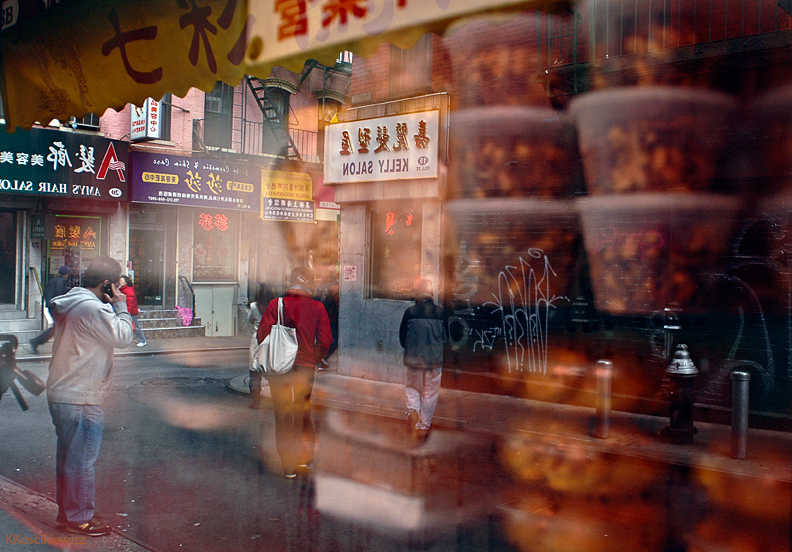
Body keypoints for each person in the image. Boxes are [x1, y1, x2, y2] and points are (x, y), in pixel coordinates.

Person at [46, 256, 134, 537]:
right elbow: (122, 337)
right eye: (116, 286)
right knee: (82, 461)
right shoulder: (93, 309)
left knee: (68, 461)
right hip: (81, 395)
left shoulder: (72, 302)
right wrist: (120, 306)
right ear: (107, 284)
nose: (118, 291)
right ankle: (80, 518)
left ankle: (67, 513)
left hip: (63, 392)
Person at [257, 267, 332, 478]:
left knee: (282, 414)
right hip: (305, 368)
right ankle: (305, 460)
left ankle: (288, 465)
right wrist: (313, 358)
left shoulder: (276, 305)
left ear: (290, 283)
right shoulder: (317, 308)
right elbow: (326, 340)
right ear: (308, 283)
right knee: (303, 412)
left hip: (279, 368)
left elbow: (262, 333)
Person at [399, 279, 446, 445]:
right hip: (434, 361)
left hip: (413, 360)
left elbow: (402, 339)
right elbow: (445, 338)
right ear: (431, 294)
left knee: (413, 388)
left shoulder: (410, 312)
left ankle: (413, 411)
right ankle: (423, 426)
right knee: (430, 393)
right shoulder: (440, 313)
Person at [29, 265, 71, 354]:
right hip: (56, 307)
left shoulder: (52, 281)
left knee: (58, 327)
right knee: (58, 327)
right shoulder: (62, 282)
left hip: (51, 306)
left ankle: (38, 341)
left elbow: (46, 293)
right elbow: (61, 295)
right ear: (66, 274)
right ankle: (37, 341)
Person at [247, 284, 271, 409]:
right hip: (271, 340)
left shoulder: (254, 306)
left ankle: (256, 402)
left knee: (254, 373)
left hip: (257, 340)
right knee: (273, 372)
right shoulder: (275, 305)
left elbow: (249, 320)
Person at [313, 275, 339, 370]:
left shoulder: (318, 287)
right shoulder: (335, 287)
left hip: (319, 317)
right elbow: (338, 303)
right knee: (334, 340)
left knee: (321, 339)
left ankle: (319, 359)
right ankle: (322, 358)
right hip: (331, 318)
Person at [118, 275, 146, 348]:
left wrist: (127, 313)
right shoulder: (123, 290)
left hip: (131, 312)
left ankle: (142, 340)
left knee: (136, 327)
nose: (120, 282)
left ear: (125, 282)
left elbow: (129, 303)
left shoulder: (128, 290)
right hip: (128, 312)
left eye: (121, 281)